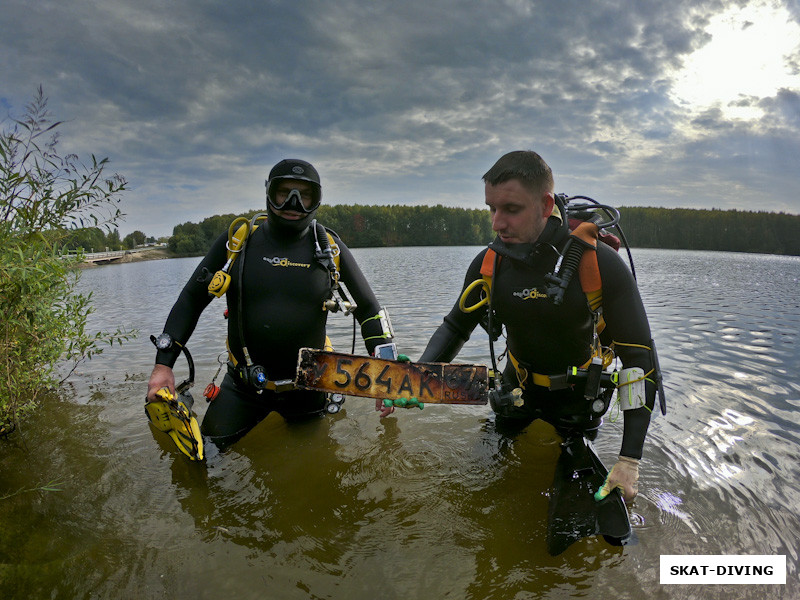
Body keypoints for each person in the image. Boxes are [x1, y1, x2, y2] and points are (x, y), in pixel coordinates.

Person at [418, 150, 660, 504]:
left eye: (511, 209)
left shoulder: (598, 264)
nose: (497, 223)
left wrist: (628, 461)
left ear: (546, 205)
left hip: (579, 399)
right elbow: (456, 326)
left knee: (583, 491)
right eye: (491, 209)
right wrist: (415, 377)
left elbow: (638, 360)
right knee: (479, 482)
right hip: (518, 392)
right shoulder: (489, 264)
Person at [147, 158, 396, 450]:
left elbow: (369, 310)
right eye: (284, 193)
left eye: (305, 195)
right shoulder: (236, 242)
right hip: (243, 387)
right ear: (269, 193)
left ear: (317, 200)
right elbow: (191, 299)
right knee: (207, 457)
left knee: (313, 473)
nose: (294, 203)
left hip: (309, 388)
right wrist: (163, 366)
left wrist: (389, 373)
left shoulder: (330, 249)